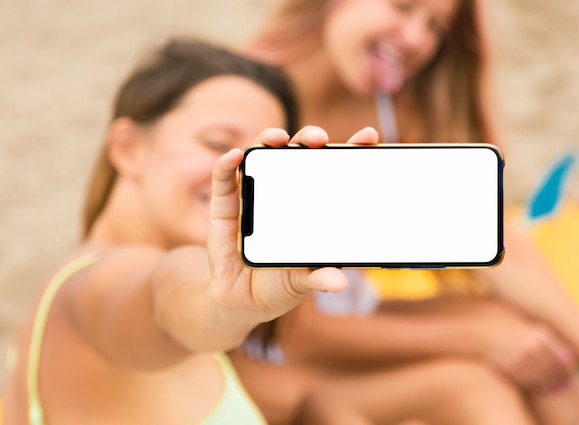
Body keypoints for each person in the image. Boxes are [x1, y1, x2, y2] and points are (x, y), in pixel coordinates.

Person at [234, 0, 579, 423]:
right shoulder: (245, 103)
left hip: (342, 318)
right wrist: (478, 338)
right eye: (402, 7)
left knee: (536, 345)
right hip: (265, 355)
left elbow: (495, 238)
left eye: (436, 26)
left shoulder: (391, 104)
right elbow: (299, 332)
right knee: (476, 383)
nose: (419, 39)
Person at [1, 37, 384, 425]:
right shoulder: (99, 284)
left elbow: (296, 397)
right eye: (217, 144)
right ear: (128, 148)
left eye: (260, 161)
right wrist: (223, 303)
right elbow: (162, 296)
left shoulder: (73, 278)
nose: (238, 175)